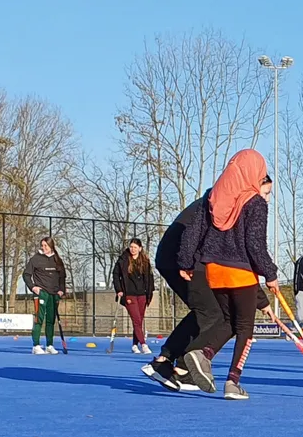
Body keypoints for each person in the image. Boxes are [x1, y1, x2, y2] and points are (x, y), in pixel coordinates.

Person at [142, 194, 273, 392]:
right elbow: (243, 255)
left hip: (175, 257)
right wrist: (261, 295)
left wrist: (260, 300)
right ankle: (170, 363)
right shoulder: (233, 201)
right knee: (214, 314)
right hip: (186, 260)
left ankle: (177, 366)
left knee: (207, 311)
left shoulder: (224, 195)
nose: (267, 199)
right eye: (266, 192)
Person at [177, 149, 279, 400]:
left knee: (228, 321)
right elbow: (255, 245)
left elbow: (193, 232)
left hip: (213, 270)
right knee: (245, 328)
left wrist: (186, 261)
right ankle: (233, 382)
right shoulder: (255, 202)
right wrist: (270, 273)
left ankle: (204, 354)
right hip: (240, 271)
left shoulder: (214, 196)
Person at [22, 237, 66, 355]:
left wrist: (61, 290)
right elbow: (26, 275)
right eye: (42, 245)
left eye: (46, 245)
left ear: (51, 246)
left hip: (54, 294)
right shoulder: (35, 259)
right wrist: (33, 287)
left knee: (51, 320)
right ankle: (36, 346)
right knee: (39, 319)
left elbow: (62, 277)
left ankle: (49, 345)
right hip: (41, 293)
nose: (43, 247)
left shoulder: (57, 260)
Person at [112, 238, 155, 354]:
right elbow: (115, 274)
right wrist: (119, 290)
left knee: (139, 321)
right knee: (136, 320)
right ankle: (144, 345)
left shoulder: (145, 261)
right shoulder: (123, 259)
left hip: (142, 294)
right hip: (129, 295)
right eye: (131, 247)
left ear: (140, 249)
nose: (133, 249)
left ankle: (134, 345)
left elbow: (150, 278)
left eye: (135, 247)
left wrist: (149, 292)